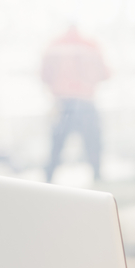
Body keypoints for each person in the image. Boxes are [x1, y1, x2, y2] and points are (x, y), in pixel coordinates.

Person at [40, 26, 111, 182]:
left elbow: (44, 75)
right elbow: (105, 73)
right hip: (84, 101)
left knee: (56, 146)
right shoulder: (90, 45)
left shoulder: (55, 45)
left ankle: (48, 179)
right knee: (92, 144)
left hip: (63, 101)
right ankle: (97, 177)